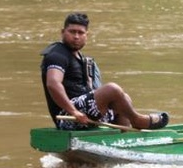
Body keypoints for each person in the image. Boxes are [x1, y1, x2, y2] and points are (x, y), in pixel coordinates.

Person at [40, 12, 170, 130]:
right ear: (63, 32)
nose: (76, 36)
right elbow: (53, 84)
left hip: (86, 113)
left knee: (123, 99)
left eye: (80, 33)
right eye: (72, 32)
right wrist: (73, 111)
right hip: (67, 117)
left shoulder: (82, 59)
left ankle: (124, 139)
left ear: (87, 35)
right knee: (112, 89)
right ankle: (137, 120)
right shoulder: (57, 54)